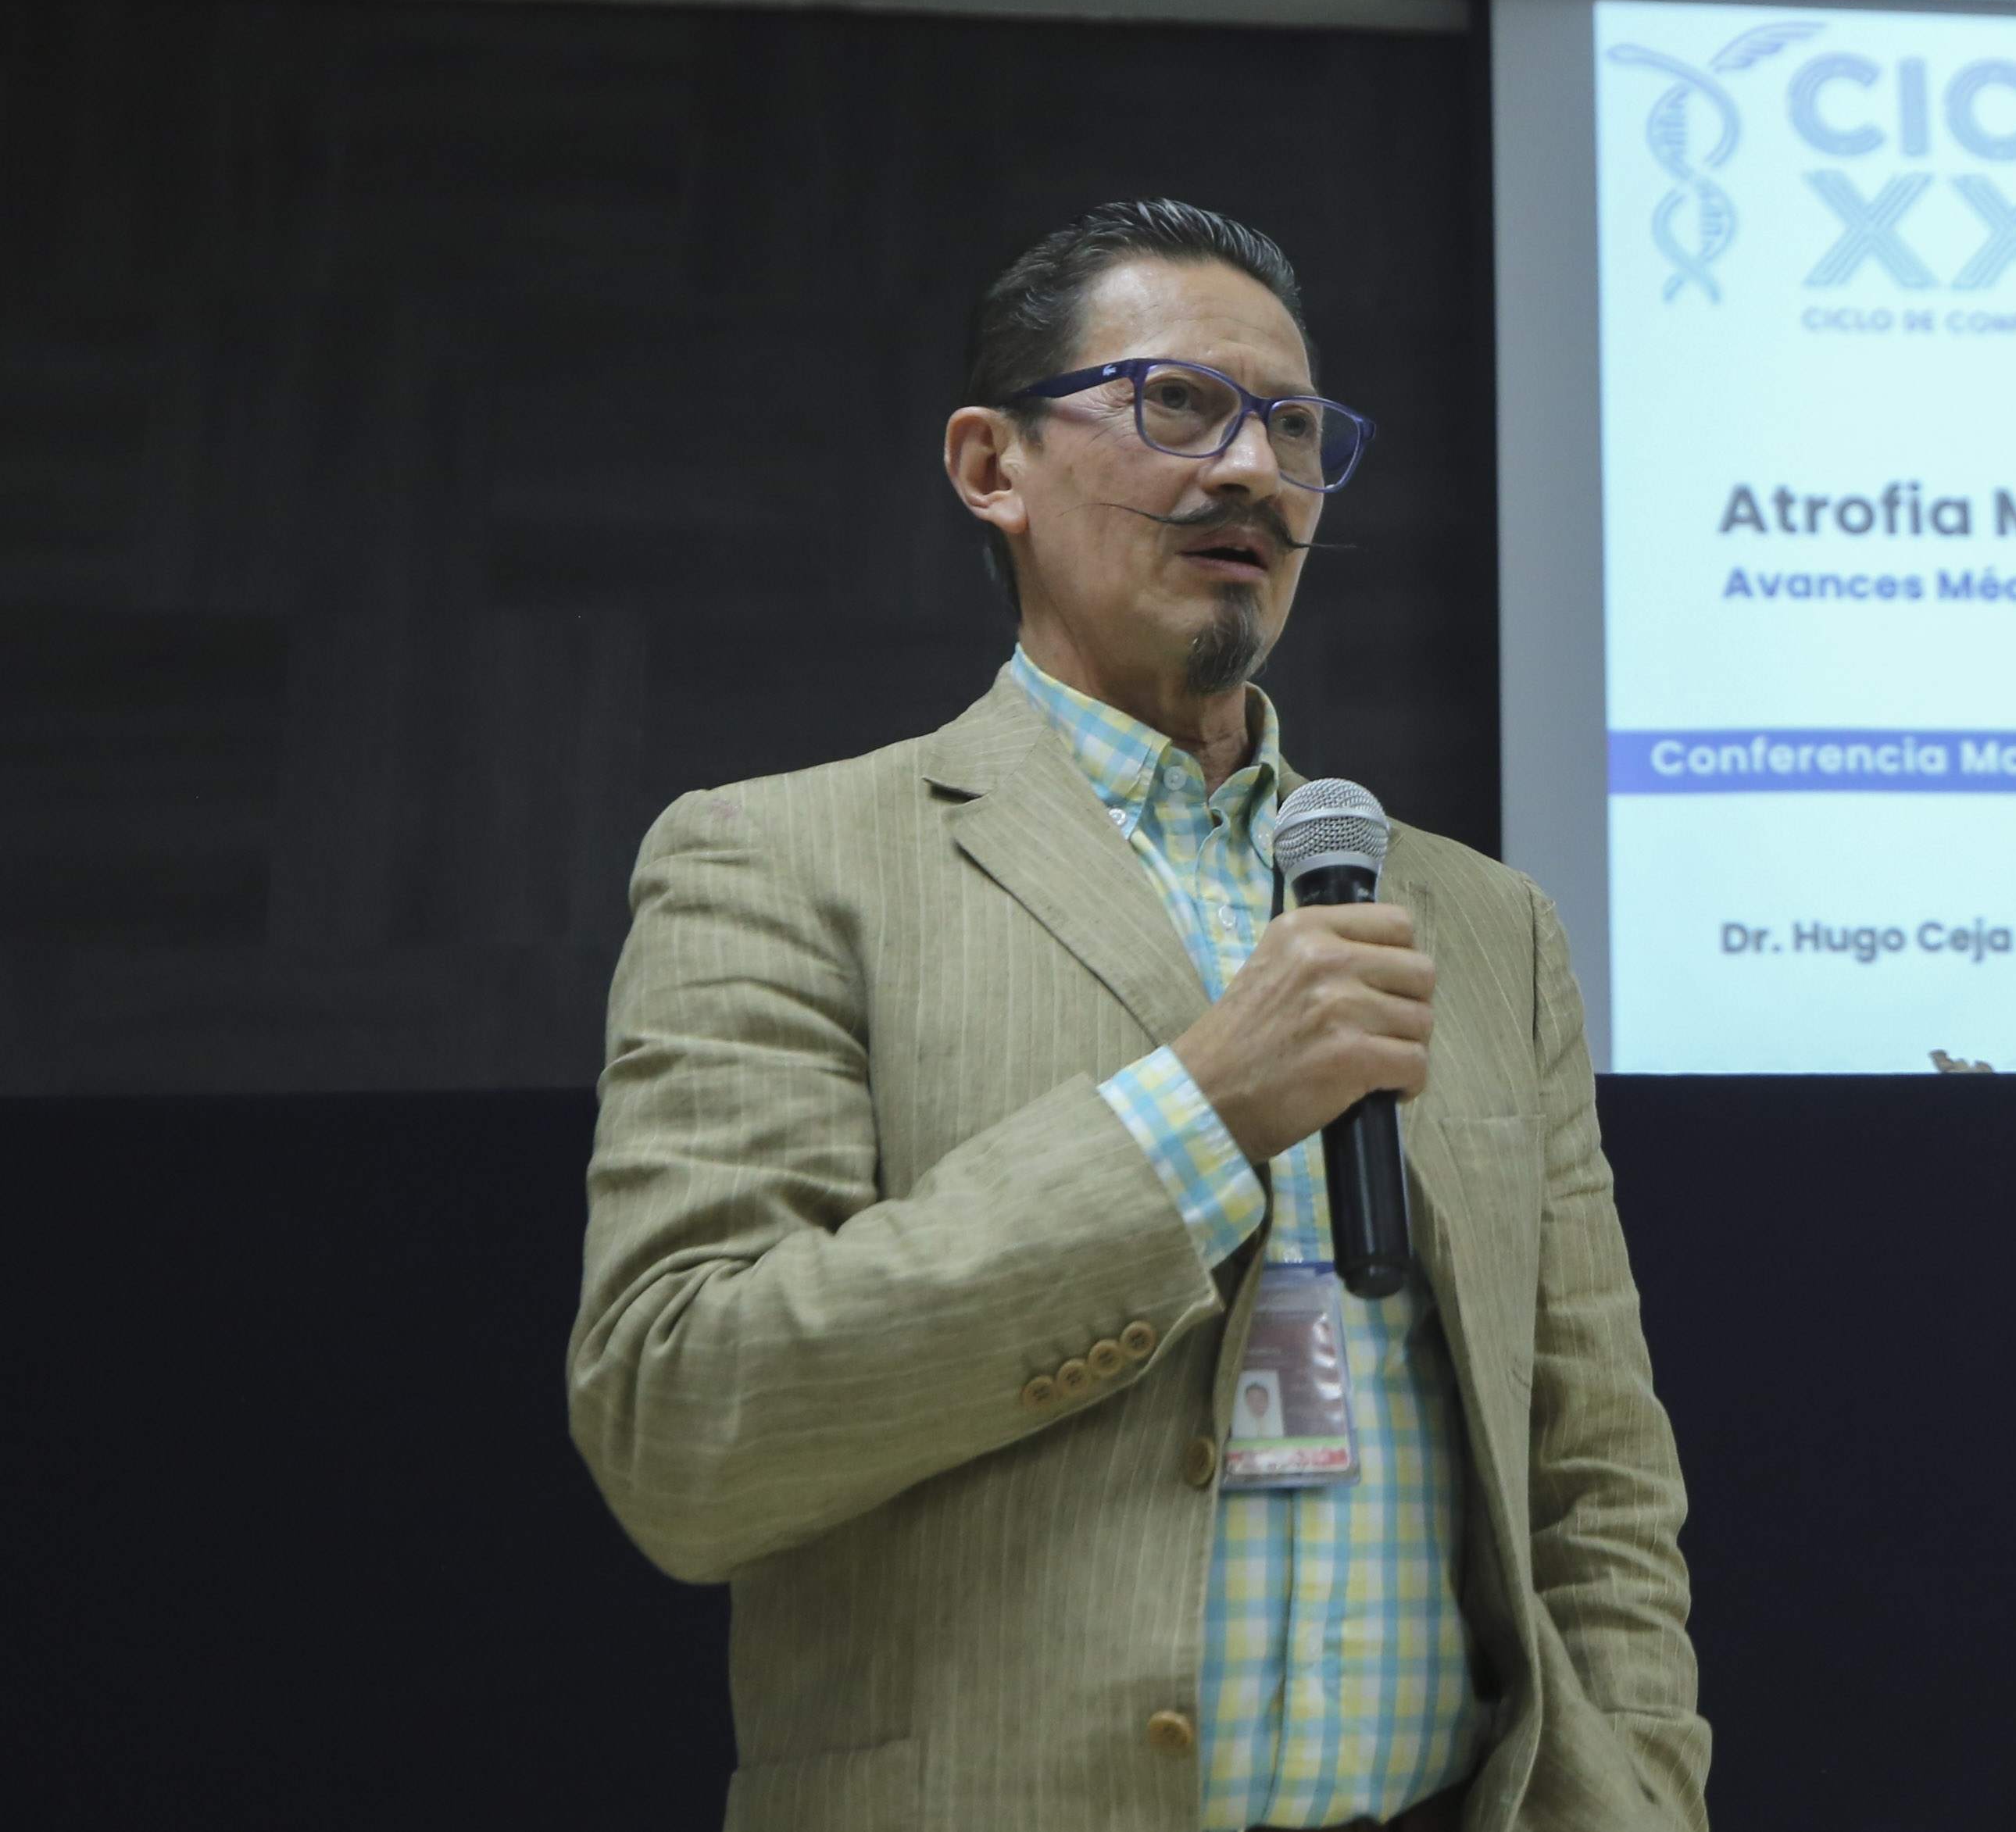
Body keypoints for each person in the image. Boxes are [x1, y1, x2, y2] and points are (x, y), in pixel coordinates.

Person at [570, 198, 1707, 1832]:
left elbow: (1594, 1467)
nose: (1252, 469)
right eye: (1178, 404)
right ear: (993, 464)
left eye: (1293, 428)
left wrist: (1642, 1791)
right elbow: (686, 1427)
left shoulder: (1482, 919)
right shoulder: (780, 859)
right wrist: (1197, 1114)